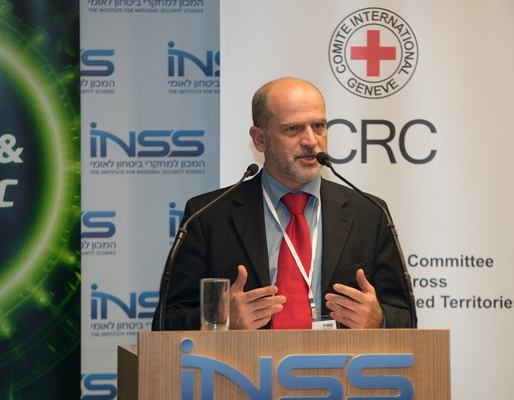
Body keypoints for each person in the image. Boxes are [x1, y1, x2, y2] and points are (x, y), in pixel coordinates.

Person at [152, 77, 413, 330]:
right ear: (260, 139)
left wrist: (379, 320)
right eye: (293, 129)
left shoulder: (369, 213)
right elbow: (165, 321)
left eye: (318, 126)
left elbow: (405, 317)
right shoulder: (207, 216)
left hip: (343, 361)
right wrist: (221, 319)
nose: (311, 141)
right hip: (246, 361)